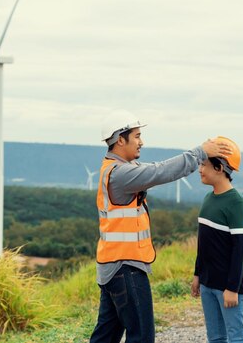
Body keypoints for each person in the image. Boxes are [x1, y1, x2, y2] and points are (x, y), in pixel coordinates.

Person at [89, 110, 232, 343]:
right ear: (120, 139)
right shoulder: (121, 174)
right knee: (142, 337)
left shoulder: (114, 169)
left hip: (112, 267)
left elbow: (156, 169)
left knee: (105, 336)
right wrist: (200, 153)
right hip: (126, 267)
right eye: (136, 136)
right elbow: (160, 171)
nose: (141, 142)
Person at [191, 136, 243, 343]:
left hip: (229, 287)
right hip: (208, 283)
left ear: (220, 168)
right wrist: (198, 275)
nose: (200, 169)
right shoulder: (209, 199)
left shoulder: (236, 204)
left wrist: (232, 289)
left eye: (204, 164)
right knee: (215, 338)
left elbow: (240, 251)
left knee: (237, 337)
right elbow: (203, 244)